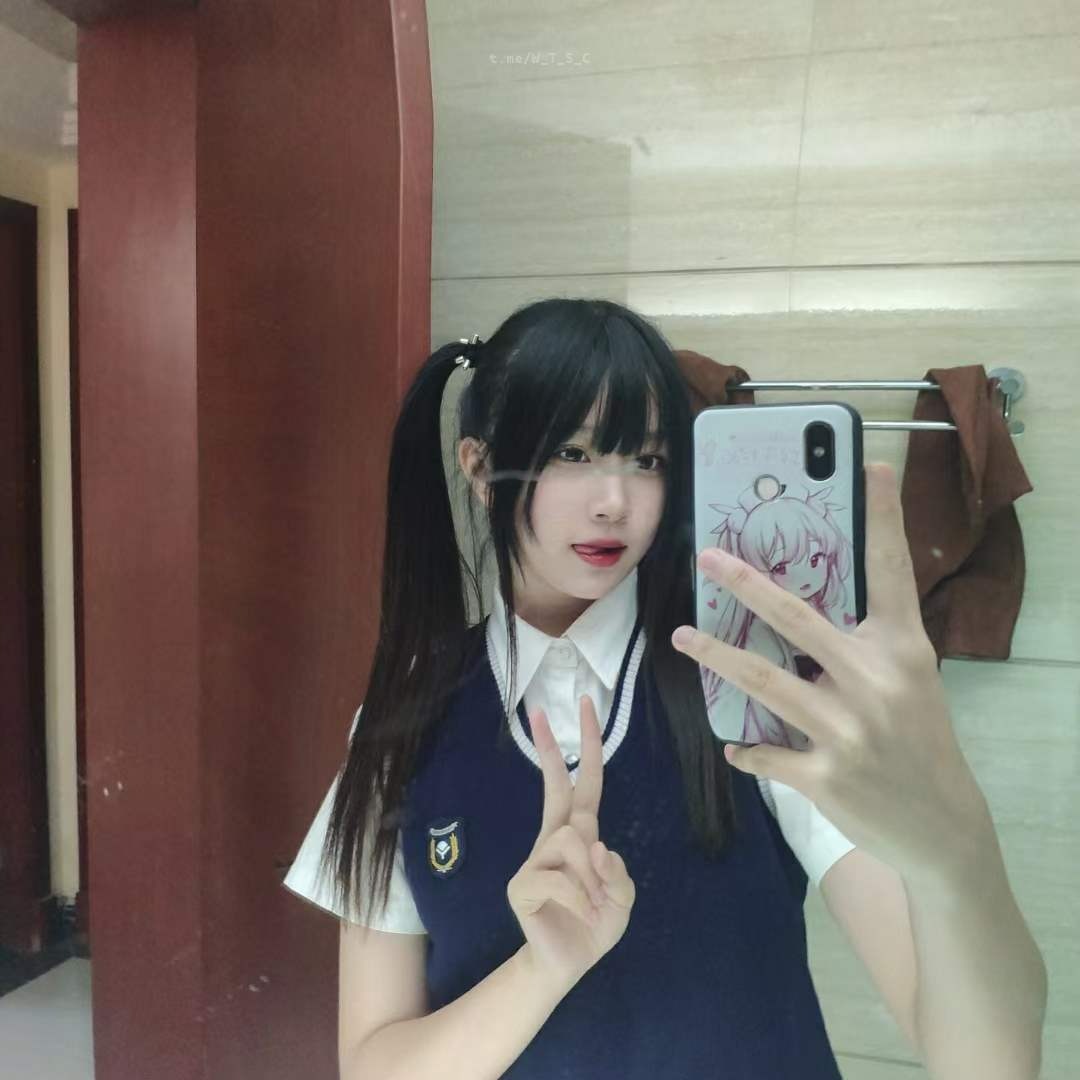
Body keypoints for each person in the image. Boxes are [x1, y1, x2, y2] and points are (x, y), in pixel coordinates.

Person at [283, 298, 1046, 1080]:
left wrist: (958, 850)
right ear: (479, 468)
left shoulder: (752, 682)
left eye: (647, 460)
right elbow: (374, 1064)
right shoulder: (403, 723)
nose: (615, 501)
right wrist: (540, 970)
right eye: (572, 453)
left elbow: (989, 1065)